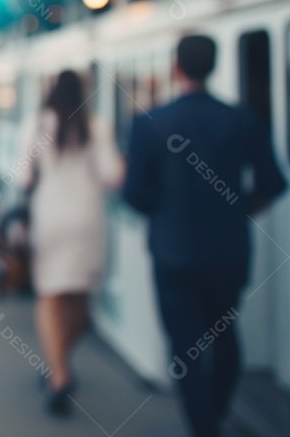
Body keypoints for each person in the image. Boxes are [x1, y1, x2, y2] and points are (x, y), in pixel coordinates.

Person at [123, 35, 286, 437]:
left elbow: (134, 193)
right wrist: (240, 207)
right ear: (213, 65)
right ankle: (214, 411)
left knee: (185, 346)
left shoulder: (148, 123)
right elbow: (273, 181)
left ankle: (203, 426)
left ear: (175, 67)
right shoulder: (243, 119)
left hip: (173, 251)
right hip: (227, 250)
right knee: (225, 333)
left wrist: (162, 212)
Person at [18, 69, 122, 416]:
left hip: (49, 216)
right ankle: (59, 363)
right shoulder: (96, 126)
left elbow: (24, 175)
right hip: (86, 218)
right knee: (79, 295)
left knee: (49, 294)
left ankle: (57, 370)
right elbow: (112, 176)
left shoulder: (36, 125)